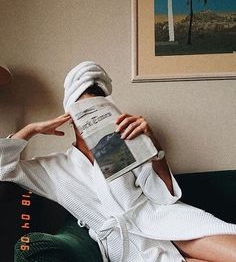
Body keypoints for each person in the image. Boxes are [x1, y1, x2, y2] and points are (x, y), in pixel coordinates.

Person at [1, 61, 236, 262]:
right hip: (129, 246)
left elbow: (164, 197)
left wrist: (154, 146)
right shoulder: (54, 168)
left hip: (165, 220)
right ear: (70, 118)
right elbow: (4, 167)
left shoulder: (123, 147)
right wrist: (31, 130)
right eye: (83, 111)